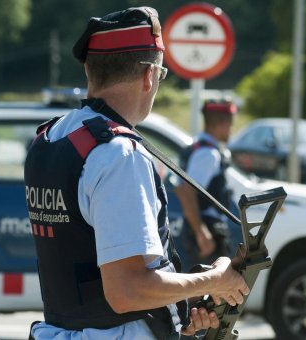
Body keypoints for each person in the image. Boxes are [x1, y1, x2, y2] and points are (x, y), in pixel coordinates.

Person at [24, 7, 249, 340]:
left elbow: (90, 276)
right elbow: (126, 291)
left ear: (89, 68)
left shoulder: (52, 139)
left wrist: (176, 310)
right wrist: (216, 280)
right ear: (149, 75)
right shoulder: (119, 155)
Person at [175, 99, 237, 271]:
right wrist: (202, 233)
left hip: (201, 230)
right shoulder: (208, 154)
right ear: (224, 123)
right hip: (206, 232)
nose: (231, 130)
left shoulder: (197, 145)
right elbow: (185, 191)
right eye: (231, 124)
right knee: (203, 293)